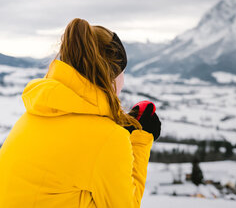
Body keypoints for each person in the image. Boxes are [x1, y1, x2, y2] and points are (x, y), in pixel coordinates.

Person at [0, 18, 161, 207]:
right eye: (122, 72)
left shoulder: (33, 116)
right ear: (111, 76)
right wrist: (140, 140)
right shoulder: (108, 139)